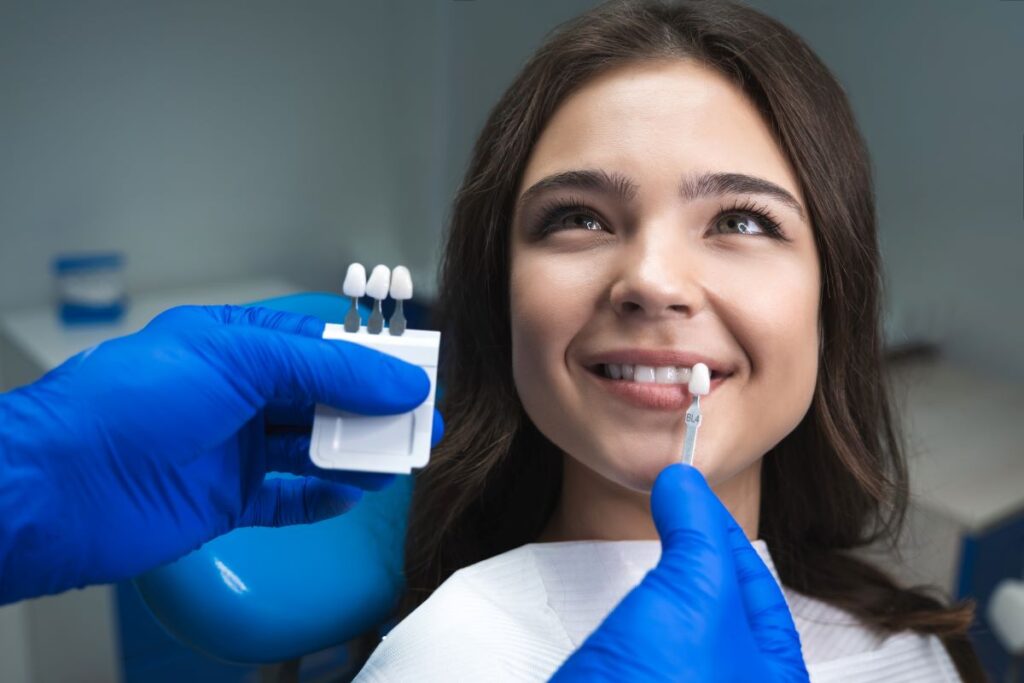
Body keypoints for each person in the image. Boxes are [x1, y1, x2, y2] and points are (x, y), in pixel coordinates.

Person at [354, 0, 986, 681]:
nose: (653, 282)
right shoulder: (439, 660)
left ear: (834, 302)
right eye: (580, 218)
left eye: (742, 222)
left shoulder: (914, 654)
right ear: (500, 294)